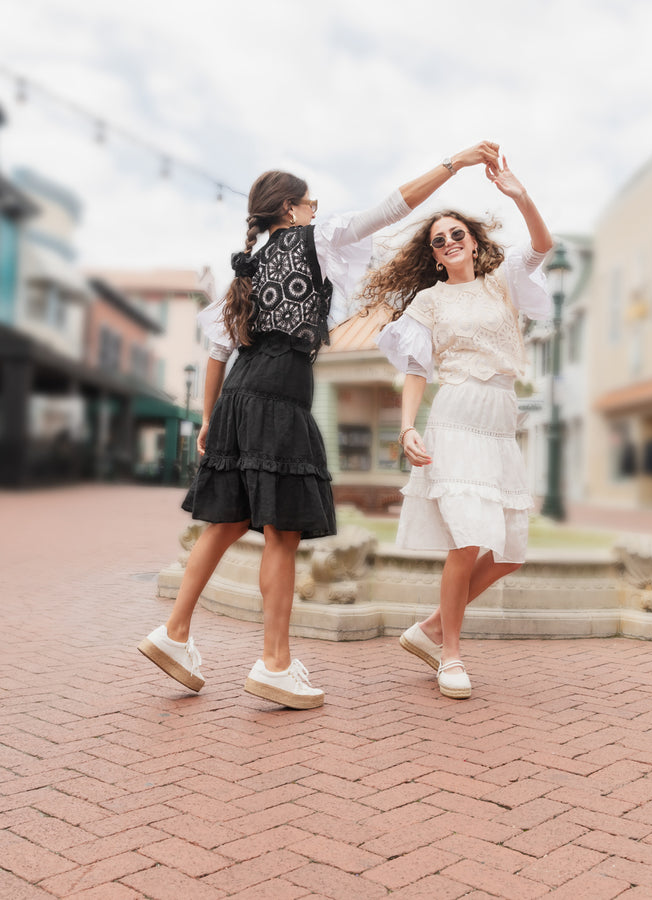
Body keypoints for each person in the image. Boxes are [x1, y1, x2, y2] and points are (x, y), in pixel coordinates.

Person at [138, 142, 501, 710]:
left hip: (238, 396)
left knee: (225, 523)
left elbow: (217, 349)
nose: (315, 208)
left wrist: (210, 417)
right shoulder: (319, 238)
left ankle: (174, 632)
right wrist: (454, 165)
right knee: (282, 534)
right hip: (281, 393)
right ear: (289, 208)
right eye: (309, 202)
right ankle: (275, 664)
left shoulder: (247, 268)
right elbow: (392, 205)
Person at [363, 155, 554, 699]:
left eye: (457, 234)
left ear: (473, 243)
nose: (448, 241)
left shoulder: (502, 285)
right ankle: (450, 654)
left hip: (501, 422)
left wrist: (520, 195)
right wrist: (406, 429)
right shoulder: (429, 300)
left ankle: (427, 629)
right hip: (456, 419)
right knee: (466, 541)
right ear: (436, 254)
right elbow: (416, 370)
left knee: (511, 552)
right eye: (439, 238)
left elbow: (541, 246)